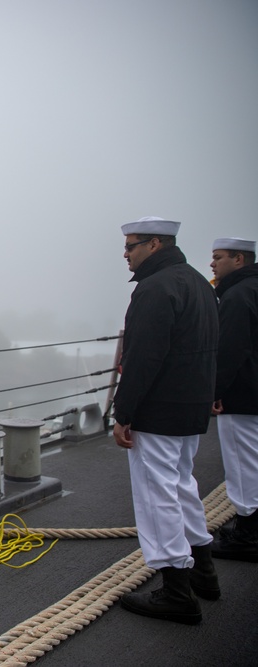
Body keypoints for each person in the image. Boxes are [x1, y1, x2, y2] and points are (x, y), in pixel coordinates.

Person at [112, 217, 220, 624]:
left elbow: (142, 357)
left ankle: (177, 590)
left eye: (131, 246)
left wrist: (124, 414)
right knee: (183, 486)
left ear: (154, 244)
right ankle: (204, 574)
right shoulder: (196, 282)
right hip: (189, 407)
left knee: (158, 496)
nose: (125, 254)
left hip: (158, 410)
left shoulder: (155, 289)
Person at [209, 236, 258, 562]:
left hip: (242, 396)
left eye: (218, 257)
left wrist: (214, 392)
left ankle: (248, 535)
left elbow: (229, 351)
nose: (213, 263)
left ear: (239, 259)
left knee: (243, 467)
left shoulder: (238, 295)